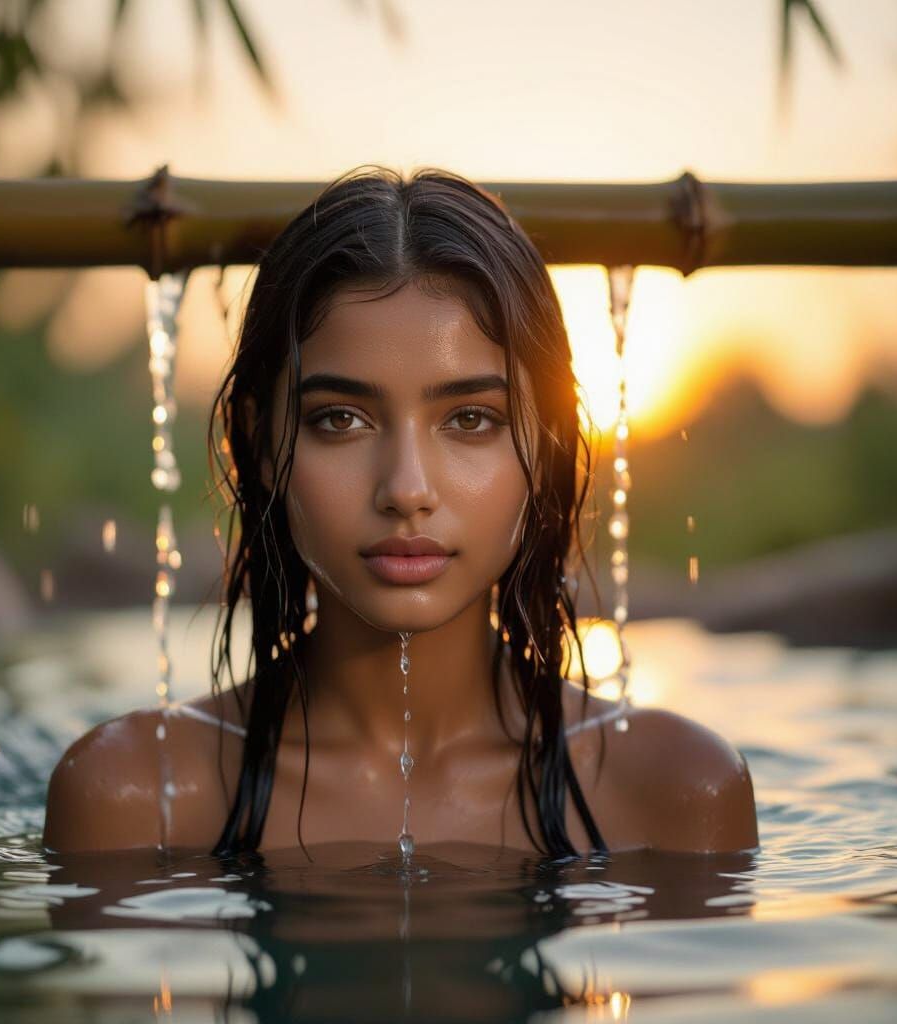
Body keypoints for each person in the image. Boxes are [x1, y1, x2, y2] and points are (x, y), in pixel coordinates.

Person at [42, 166, 758, 861]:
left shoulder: (675, 793)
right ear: (257, 444)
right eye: (341, 419)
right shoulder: (135, 799)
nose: (406, 488)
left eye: (471, 419)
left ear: (546, 448)